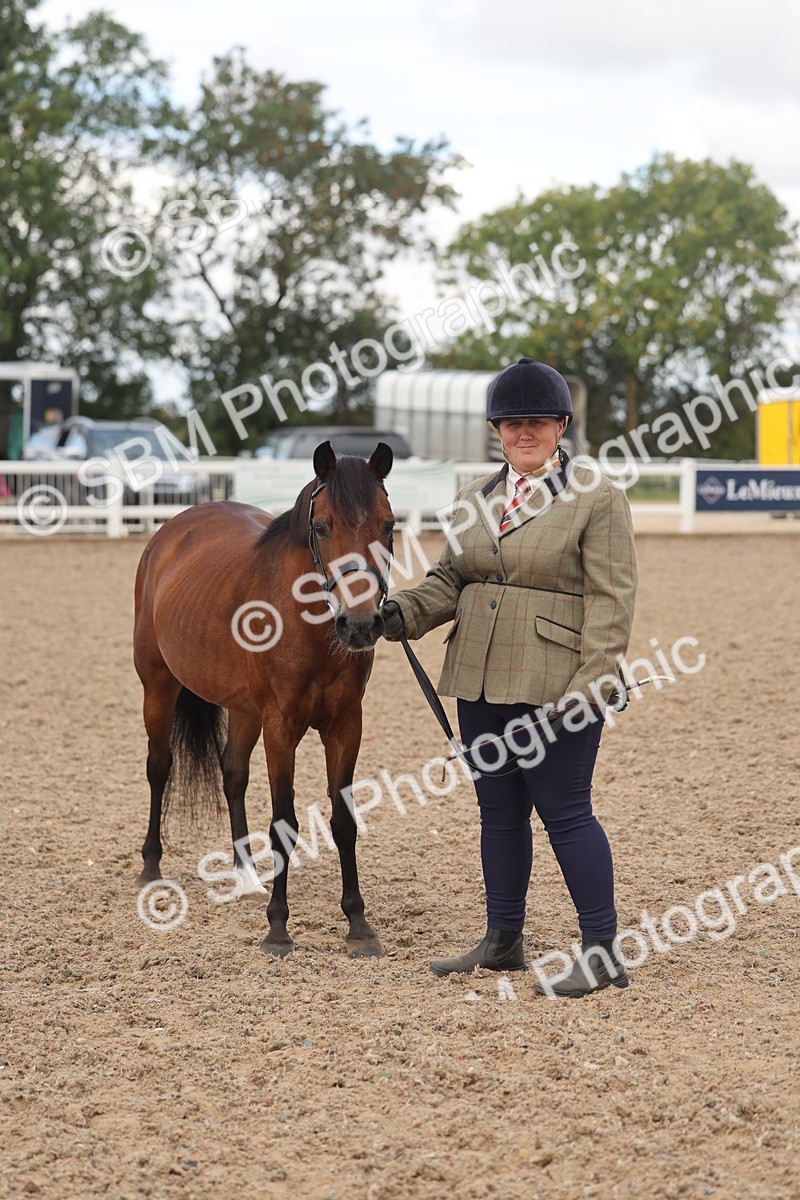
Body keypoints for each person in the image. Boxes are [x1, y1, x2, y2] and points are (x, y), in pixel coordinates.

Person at [381, 358, 638, 998]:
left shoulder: (597, 498)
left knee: (566, 814)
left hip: (556, 685)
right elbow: (450, 580)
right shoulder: (474, 500)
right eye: (513, 422)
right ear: (497, 429)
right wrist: (401, 612)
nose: (525, 432)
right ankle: (503, 941)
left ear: (560, 427)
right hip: (479, 679)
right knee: (497, 815)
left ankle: (602, 951)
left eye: (538, 422)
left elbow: (612, 601)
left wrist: (591, 688)